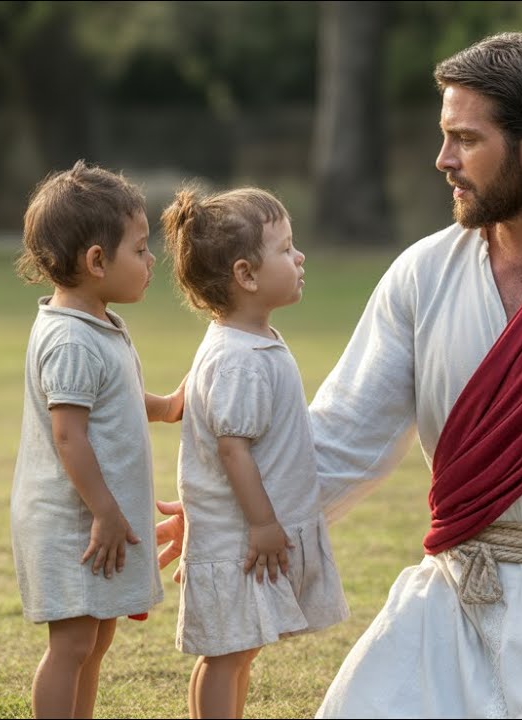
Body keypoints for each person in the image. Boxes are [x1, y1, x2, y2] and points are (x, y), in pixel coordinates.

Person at [158, 31, 522, 718]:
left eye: (465, 140)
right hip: (467, 590)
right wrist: (226, 515)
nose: (443, 160)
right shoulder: (425, 273)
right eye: (446, 137)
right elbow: (343, 436)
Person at [159, 185, 349, 719]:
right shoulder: (239, 358)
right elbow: (232, 450)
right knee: (228, 654)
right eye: (286, 249)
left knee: (239, 650)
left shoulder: (245, 341)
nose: (300, 256)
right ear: (246, 275)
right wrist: (264, 525)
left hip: (240, 534)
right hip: (240, 536)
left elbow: (190, 410)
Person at [11, 160, 184, 719]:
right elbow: (69, 437)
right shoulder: (71, 340)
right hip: (75, 522)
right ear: (95, 261)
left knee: (97, 637)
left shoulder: (99, 323)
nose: (150, 260)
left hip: (96, 519)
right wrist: (105, 512)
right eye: (139, 249)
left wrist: (168, 406)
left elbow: (120, 400)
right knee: (72, 644)